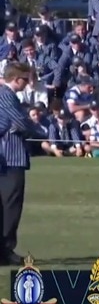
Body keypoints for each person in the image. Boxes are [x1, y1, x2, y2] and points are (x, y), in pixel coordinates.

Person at [0, 62, 46, 266]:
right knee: (11, 205)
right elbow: (20, 121)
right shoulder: (7, 95)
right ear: (17, 79)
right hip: (10, 157)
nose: (27, 84)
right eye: (25, 80)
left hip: (7, 156)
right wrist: (41, 133)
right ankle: (6, 249)